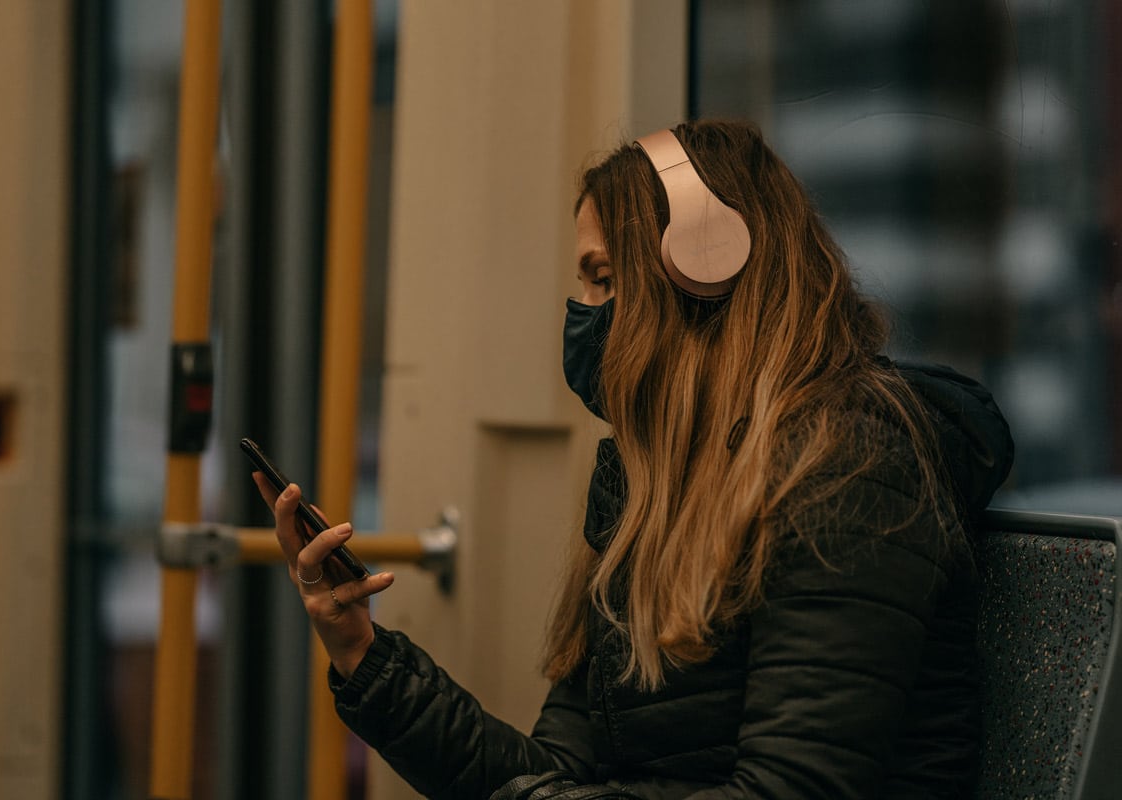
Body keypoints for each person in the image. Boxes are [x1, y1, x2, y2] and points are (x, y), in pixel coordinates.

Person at [253, 119, 1014, 799]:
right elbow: (553, 773)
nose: (583, 312)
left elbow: (796, 784)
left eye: (605, 279)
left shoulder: (848, 467)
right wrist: (364, 652)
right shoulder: (653, 486)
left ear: (705, 275)